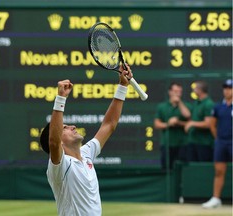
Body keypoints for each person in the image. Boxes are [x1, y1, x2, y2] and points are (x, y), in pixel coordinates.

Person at [39, 64, 133, 216]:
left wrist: (122, 86)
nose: (72, 126)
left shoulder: (86, 154)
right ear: (59, 140)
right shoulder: (59, 167)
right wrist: (60, 98)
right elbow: (54, 142)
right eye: (65, 128)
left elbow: (109, 125)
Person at [202, 79, 233, 208]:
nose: (227, 90)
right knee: (219, 171)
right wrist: (219, 139)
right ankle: (216, 199)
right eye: (225, 88)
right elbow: (213, 125)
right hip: (221, 142)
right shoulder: (218, 107)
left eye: (230, 88)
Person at [154, 82, 191, 170]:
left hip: (182, 144)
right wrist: (168, 124)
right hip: (167, 144)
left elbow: (188, 117)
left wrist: (178, 122)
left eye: (179, 91)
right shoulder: (162, 106)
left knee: (182, 169)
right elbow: (157, 124)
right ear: (170, 92)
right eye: (175, 91)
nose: (177, 93)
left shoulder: (186, 105)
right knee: (166, 168)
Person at [185, 80, 215, 162]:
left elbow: (208, 124)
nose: (193, 90)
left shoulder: (208, 104)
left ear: (200, 90)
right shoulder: (196, 103)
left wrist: (192, 124)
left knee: (204, 168)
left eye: (195, 88)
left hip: (204, 143)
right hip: (193, 141)